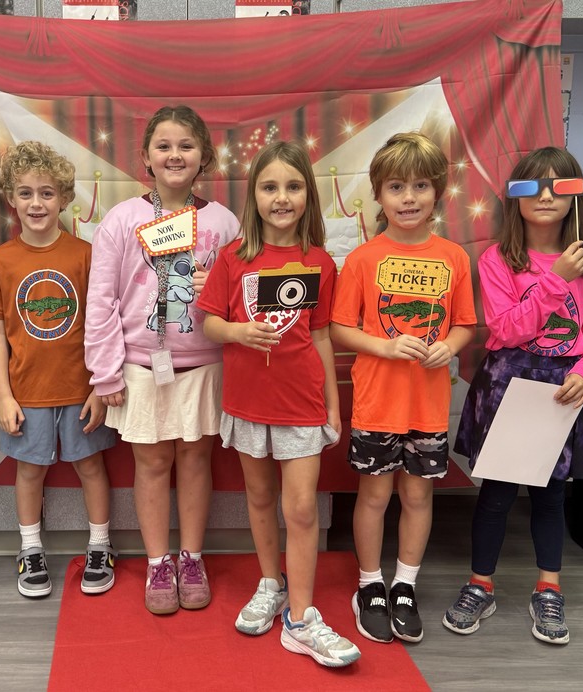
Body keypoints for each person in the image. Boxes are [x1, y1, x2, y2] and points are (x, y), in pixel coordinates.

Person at [199, 141, 361, 667]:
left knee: (301, 509)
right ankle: (270, 583)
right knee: (261, 498)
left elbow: (319, 338)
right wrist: (240, 332)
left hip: (301, 405)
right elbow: (211, 322)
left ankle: (301, 615)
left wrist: (332, 406)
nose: (282, 197)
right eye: (270, 187)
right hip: (247, 403)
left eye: (293, 187)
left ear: (308, 196)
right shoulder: (234, 257)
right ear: (255, 196)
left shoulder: (318, 262)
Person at [443, 147, 583, 645]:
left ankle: (549, 589)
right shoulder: (498, 260)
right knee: (494, 494)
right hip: (508, 385)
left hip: (561, 391)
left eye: (561, 186)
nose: (546, 196)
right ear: (514, 197)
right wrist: (557, 279)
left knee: (551, 496)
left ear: (576, 195)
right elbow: (508, 330)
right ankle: (480, 584)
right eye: (532, 186)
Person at [85, 105, 240, 615]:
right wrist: (104, 371)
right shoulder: (123, 218)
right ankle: (157, 561)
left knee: (196, 457)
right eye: (164, 146)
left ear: (204, 157)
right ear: (147, 157)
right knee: (152, 461)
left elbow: (241, 298)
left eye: (186, 146)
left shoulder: (222, 221)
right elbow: (102, 298)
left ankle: (191, 557)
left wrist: (214, 288)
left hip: (203, 362)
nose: (175, 155)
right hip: (140, 363)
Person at [331, 132, 477, 643]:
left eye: (420, 185)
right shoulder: (363, 259)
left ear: (438, 191)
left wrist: (451, 346)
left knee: (418, 497)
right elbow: (339, 328)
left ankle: (405, 584)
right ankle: (369, 584)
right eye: (396, 186)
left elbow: (464, 323)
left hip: (430, 406)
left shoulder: (454, 257)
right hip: (377, 403)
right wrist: (384, 345)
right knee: (373, 497)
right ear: (378, 194)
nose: (409, 197)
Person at [0, 141, 117, 598]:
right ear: (10, 198)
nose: (36, 203)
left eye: (46, 193)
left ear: (64, 198)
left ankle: (101, 545)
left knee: (91, 466)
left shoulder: (87, 254)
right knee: (29, 472)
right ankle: (30, 547)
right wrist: (3, 395)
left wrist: (100, 385)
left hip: (81, 389)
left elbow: (104, 323)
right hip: (26, 392)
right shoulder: (0, 261)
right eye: (25, 193)